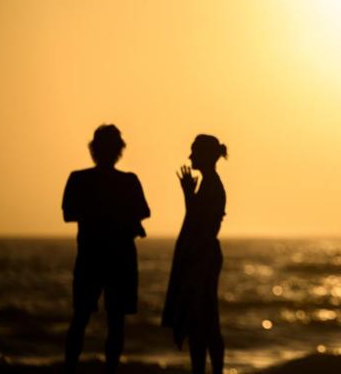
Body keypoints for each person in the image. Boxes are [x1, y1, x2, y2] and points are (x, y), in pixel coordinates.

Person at [62, 124, 150, 374]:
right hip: (114, 257)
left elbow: (69, 213)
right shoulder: (126, 181)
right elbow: (143, 211)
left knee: (85, 319)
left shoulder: (80, 179)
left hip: (94, 256)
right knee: (111, 322)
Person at [162, 134, 228, 374]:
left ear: (205, 155)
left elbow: (200, 223)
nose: (190, 157)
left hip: (202, 257)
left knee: (205, 320)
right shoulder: (208, 184)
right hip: (201, 255)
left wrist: (187, 194)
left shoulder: (212, 185)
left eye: (194, 152)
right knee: (198, 320)